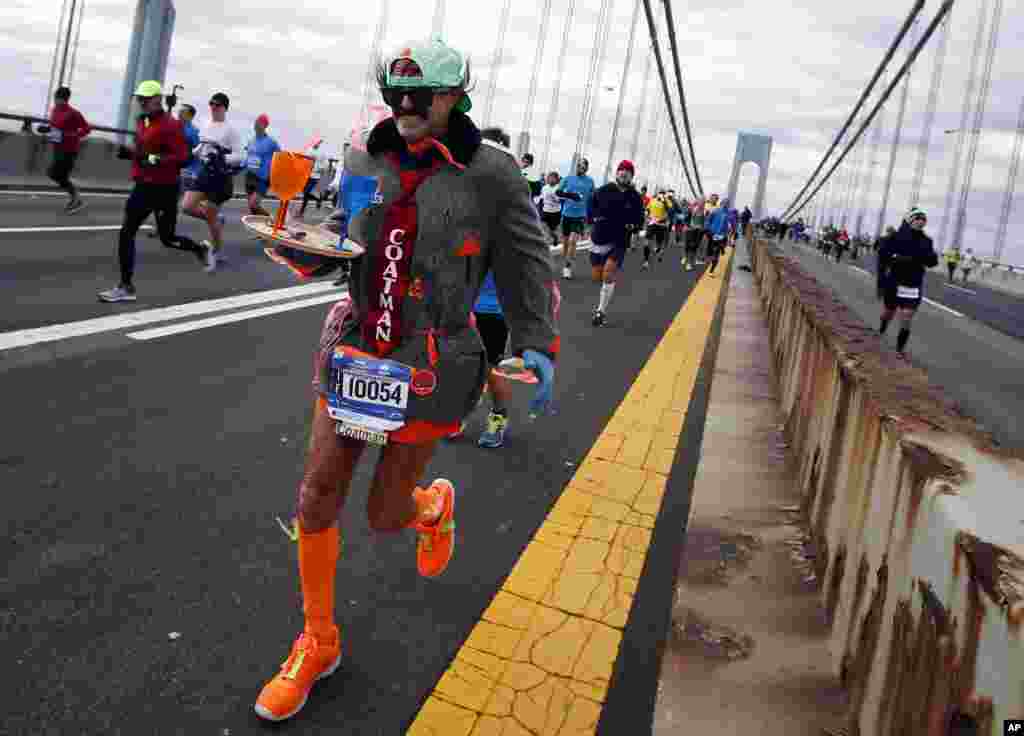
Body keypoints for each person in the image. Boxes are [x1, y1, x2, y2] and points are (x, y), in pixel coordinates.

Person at [252, 38, 559, 723]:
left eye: (420, 96)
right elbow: (344, 236)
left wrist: (537, 344)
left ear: (456, 97)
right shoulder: (367, 152)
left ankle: (431, 508)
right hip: (358, 339)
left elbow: (526, 262)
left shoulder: (493, 172)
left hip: (431, 360)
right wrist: (302, 248)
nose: (406, 108)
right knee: (317, 492)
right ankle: (318, 639)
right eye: (396, 96)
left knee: (384, 515)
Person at [97, 81, 208, 303]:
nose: (141, 102)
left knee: (168, 239)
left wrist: (145, 158)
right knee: (126, 231)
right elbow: (143, 149)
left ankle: (198, 248)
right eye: (139, 99)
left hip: (165, 188)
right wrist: (132, 153)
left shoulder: (171, 125)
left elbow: (183, 158)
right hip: (143, 186)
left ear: (157, 100)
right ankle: (126, 287)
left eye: (145, 99)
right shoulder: (143, 121)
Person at [183, 91, 243, 272]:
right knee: (187, 207)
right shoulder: (206, 124)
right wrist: (194, 152)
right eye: (211, 104)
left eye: (217, 105)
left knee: (210, 216)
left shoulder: (230, 130)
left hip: (220, 177)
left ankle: (216, 251)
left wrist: (222, 158)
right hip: (204, 172)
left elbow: (240, 156)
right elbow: (201, 147)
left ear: (225, 108)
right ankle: (217, 219)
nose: (213, 108)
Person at [588, 159, 645, 326]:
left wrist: (634, 226)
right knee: (597, 275)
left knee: (608, 274)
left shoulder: (635, 197)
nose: (624, 173)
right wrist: (592, 217)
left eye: (627, 172)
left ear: (631, 176)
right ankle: (605, 290)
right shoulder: (604, 190)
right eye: (621, 170)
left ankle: (600, 311)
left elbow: (640, 219)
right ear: (617, 173)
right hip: (599, 237)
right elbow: (591, 205)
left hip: (620, 240)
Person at [877, 208, 938, 359]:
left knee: (907, 316)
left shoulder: (927, 241)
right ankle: (881, 330)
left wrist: (930, 258)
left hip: (913, 284)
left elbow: (932, 262)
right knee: (888, 313)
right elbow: (883, 258)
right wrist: (881, 281)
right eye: (918, 219)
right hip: (894, 282)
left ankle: (899, 349)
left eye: (923, 220)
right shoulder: (895, 237)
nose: (921, 222)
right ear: (910, 220)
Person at [41, 86, 91, 214]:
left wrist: (72, 136)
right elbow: (54, 127)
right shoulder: (54, 110)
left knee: (55, 174)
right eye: (56, 98)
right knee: (56, 174)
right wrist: (46, 129)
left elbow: (86, 129)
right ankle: (75, 197)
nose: (56, 101)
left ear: (65, 99)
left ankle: (76, 198)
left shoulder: (73, 113)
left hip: (69, 149)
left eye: (58, 98)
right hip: (57, 148)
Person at [556, 157, 595, 279]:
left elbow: (593, 199)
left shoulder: (590, 182)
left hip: (580, 216)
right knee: (566, 242)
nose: (580, 168)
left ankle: (567, 267)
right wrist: (571, 195)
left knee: (573, 241)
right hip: (566, 214)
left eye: (583, 167)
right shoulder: (568, 178)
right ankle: (566, 260)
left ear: (586, 169)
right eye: (579, 166)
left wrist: (592, 216)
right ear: (576, 166)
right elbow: (558, 192)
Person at [244, 114, 280, 217]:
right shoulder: (251, 140)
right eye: (255, 122)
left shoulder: (271, 142)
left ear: (264, 125)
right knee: (252, 209)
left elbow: (280, 157)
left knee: (253, 204)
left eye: (258, 123)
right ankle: (262, 230)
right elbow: (248, 156)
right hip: (249, 176)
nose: (255, 125)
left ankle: (271, 220)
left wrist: (274, 173)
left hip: (263, 179)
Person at [299, 137, 330, 216]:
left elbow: (326, 164)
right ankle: (318, 199)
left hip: (315, 176)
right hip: (306, 174)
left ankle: (301, 211)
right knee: (303, 191)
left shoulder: (322, 153)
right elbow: (303, 159)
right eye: (315, 142)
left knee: (306, 193)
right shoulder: (308, 150)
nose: (316, 144)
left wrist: (319, 168)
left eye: (318, 143)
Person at [643, 190, 669, 269]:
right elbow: (647, 210)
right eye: (660, 193)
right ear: (657, 194)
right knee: (646, 243)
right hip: (652, 224)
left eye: (663, 194)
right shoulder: (652, 200)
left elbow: (669, 210)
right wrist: (647, 217)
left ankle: (659, 250)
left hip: (661, 225)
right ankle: (646, 261)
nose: (661, 195)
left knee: (659, 244)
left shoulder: (666, 202)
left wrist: (664, 201)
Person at [538, 171, 562, 247]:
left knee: (552, 230)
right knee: (543, 227)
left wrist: (555, 198)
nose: (551, 179)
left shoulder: (559, 188)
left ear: (557, 179)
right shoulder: (544, 188)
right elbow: (541, 199)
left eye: (553, 178)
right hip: (545, 211)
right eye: (549, 178)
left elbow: (561, 200)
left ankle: (555, 237)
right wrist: (539, 210)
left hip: (555, 212)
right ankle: (544, 244)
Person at [683, 197, 706, 271]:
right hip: (691, 230)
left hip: (699, 232)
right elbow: (688, 219)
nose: (702, 204)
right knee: (688, 246)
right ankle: (686, 259)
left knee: (694, 248)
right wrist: (687, 226)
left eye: (703, 202)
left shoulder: (705, 212)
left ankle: (689, 263)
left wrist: (702, 228)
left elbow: (704, 222)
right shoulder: (692, 210)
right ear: (697, 202)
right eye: (701, 202)